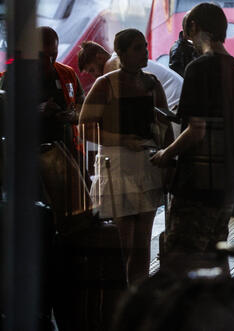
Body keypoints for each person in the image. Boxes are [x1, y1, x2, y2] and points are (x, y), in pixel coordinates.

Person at [150, 3, 234, 264]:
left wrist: (165, 153)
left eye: (186, 33)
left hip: (197, 185)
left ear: (194, 27)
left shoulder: (198, 68)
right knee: (216, 259)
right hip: (227, 184)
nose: (187, 41)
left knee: (182, 259)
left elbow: (196, 129)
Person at [79, 29, 173, 284]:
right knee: (124, 240)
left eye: (144, 46)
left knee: (142, 240)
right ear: (121, 53)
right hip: (117, 164)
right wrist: (122, 140)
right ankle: (119, 295)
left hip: (146, 163)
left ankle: (137, 295)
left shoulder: (152, 82)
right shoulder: (105, 84)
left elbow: (164, 124)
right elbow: (85, 126)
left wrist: (168, 158)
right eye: (138, 48)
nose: (145, 52)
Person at [78, 40, 183, 110]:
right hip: (177, 102)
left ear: (100, 58)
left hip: (176, 105)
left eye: (92, 70)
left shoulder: (113, 64)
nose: (94, 76)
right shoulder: (120, 60)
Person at [36, 26, 85, 156]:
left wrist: (73, 114)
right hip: (30, 156)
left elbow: (83, 106)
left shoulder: (67, 73)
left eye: (54, 55)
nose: (49, 60)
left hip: (67, 150)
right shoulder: (13, 77)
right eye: (42, 55)